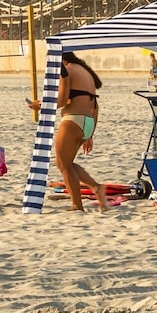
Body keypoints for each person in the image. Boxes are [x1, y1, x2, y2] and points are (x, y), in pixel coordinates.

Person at [53, 52, 109, 212]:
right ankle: (96, 187)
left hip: (73, 120)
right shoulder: (85, 72)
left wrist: (41, 105)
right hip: (88, 122)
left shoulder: (67, 70)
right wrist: (90, 134)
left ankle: (77, 205)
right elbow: (95, 106)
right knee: (66, 163)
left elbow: (62, 100)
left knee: (63, 165)